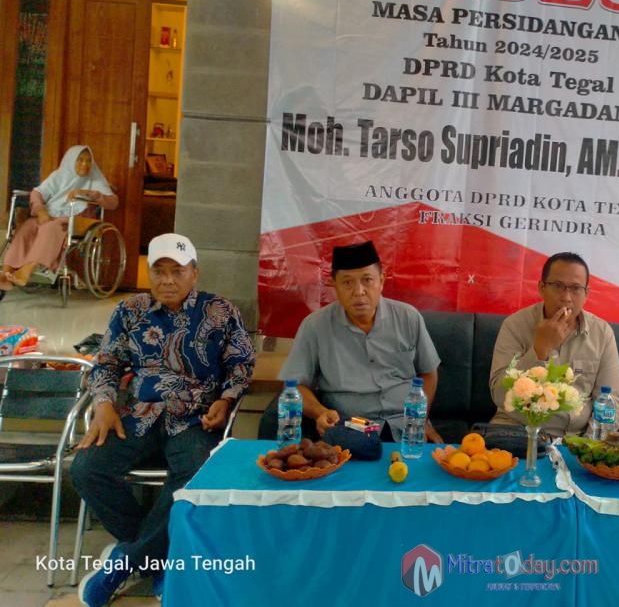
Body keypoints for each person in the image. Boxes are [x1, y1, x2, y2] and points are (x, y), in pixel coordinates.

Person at [71, 233, 255, 607]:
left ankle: (125, 562)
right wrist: (104, 403)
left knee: (196, 475)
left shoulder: (219, 311)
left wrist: (226, 399)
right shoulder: (129, 310)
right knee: (86, 469)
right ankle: (158, 558)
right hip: (138, 415)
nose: (168, 280)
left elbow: (242, 364)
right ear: (150, 274)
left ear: (194, 273)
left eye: (178, 271)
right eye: (160, 271)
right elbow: (106, 364)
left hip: (194, 418)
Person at [278, 240, 443, 443]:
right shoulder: (315, 326)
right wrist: (320, 411)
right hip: (350, 427)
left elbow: (429, 373)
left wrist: (420, 421)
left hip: (405, 424)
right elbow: (295, 385)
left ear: (381, 280)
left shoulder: (408, 317)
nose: (358, 291)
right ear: (334, 285)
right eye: (347, 283)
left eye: (367, 280)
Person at [488, 252, 619, 437]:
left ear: (586, 293)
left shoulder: (602, 333)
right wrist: (540, 349)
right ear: (541, 288)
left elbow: (610, 402)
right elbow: (499, 395)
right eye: (558, 286)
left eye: (575, 288)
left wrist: (588, 446)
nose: (566, 297)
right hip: (517, 431)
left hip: (574, 438)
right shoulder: (515, 325)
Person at [1, 145, 118, 289]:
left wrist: (86, 192)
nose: (85, 164)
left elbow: (113, 203)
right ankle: (6, 271)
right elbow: (37, 193)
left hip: (73, 219)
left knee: (51, 228)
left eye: (89, 160)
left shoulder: (95, 179)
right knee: (27, 227)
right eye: (80, 160)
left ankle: (28, 268)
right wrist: (40, 210)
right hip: (49, 214)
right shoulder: (59, 176)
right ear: (70, 160)